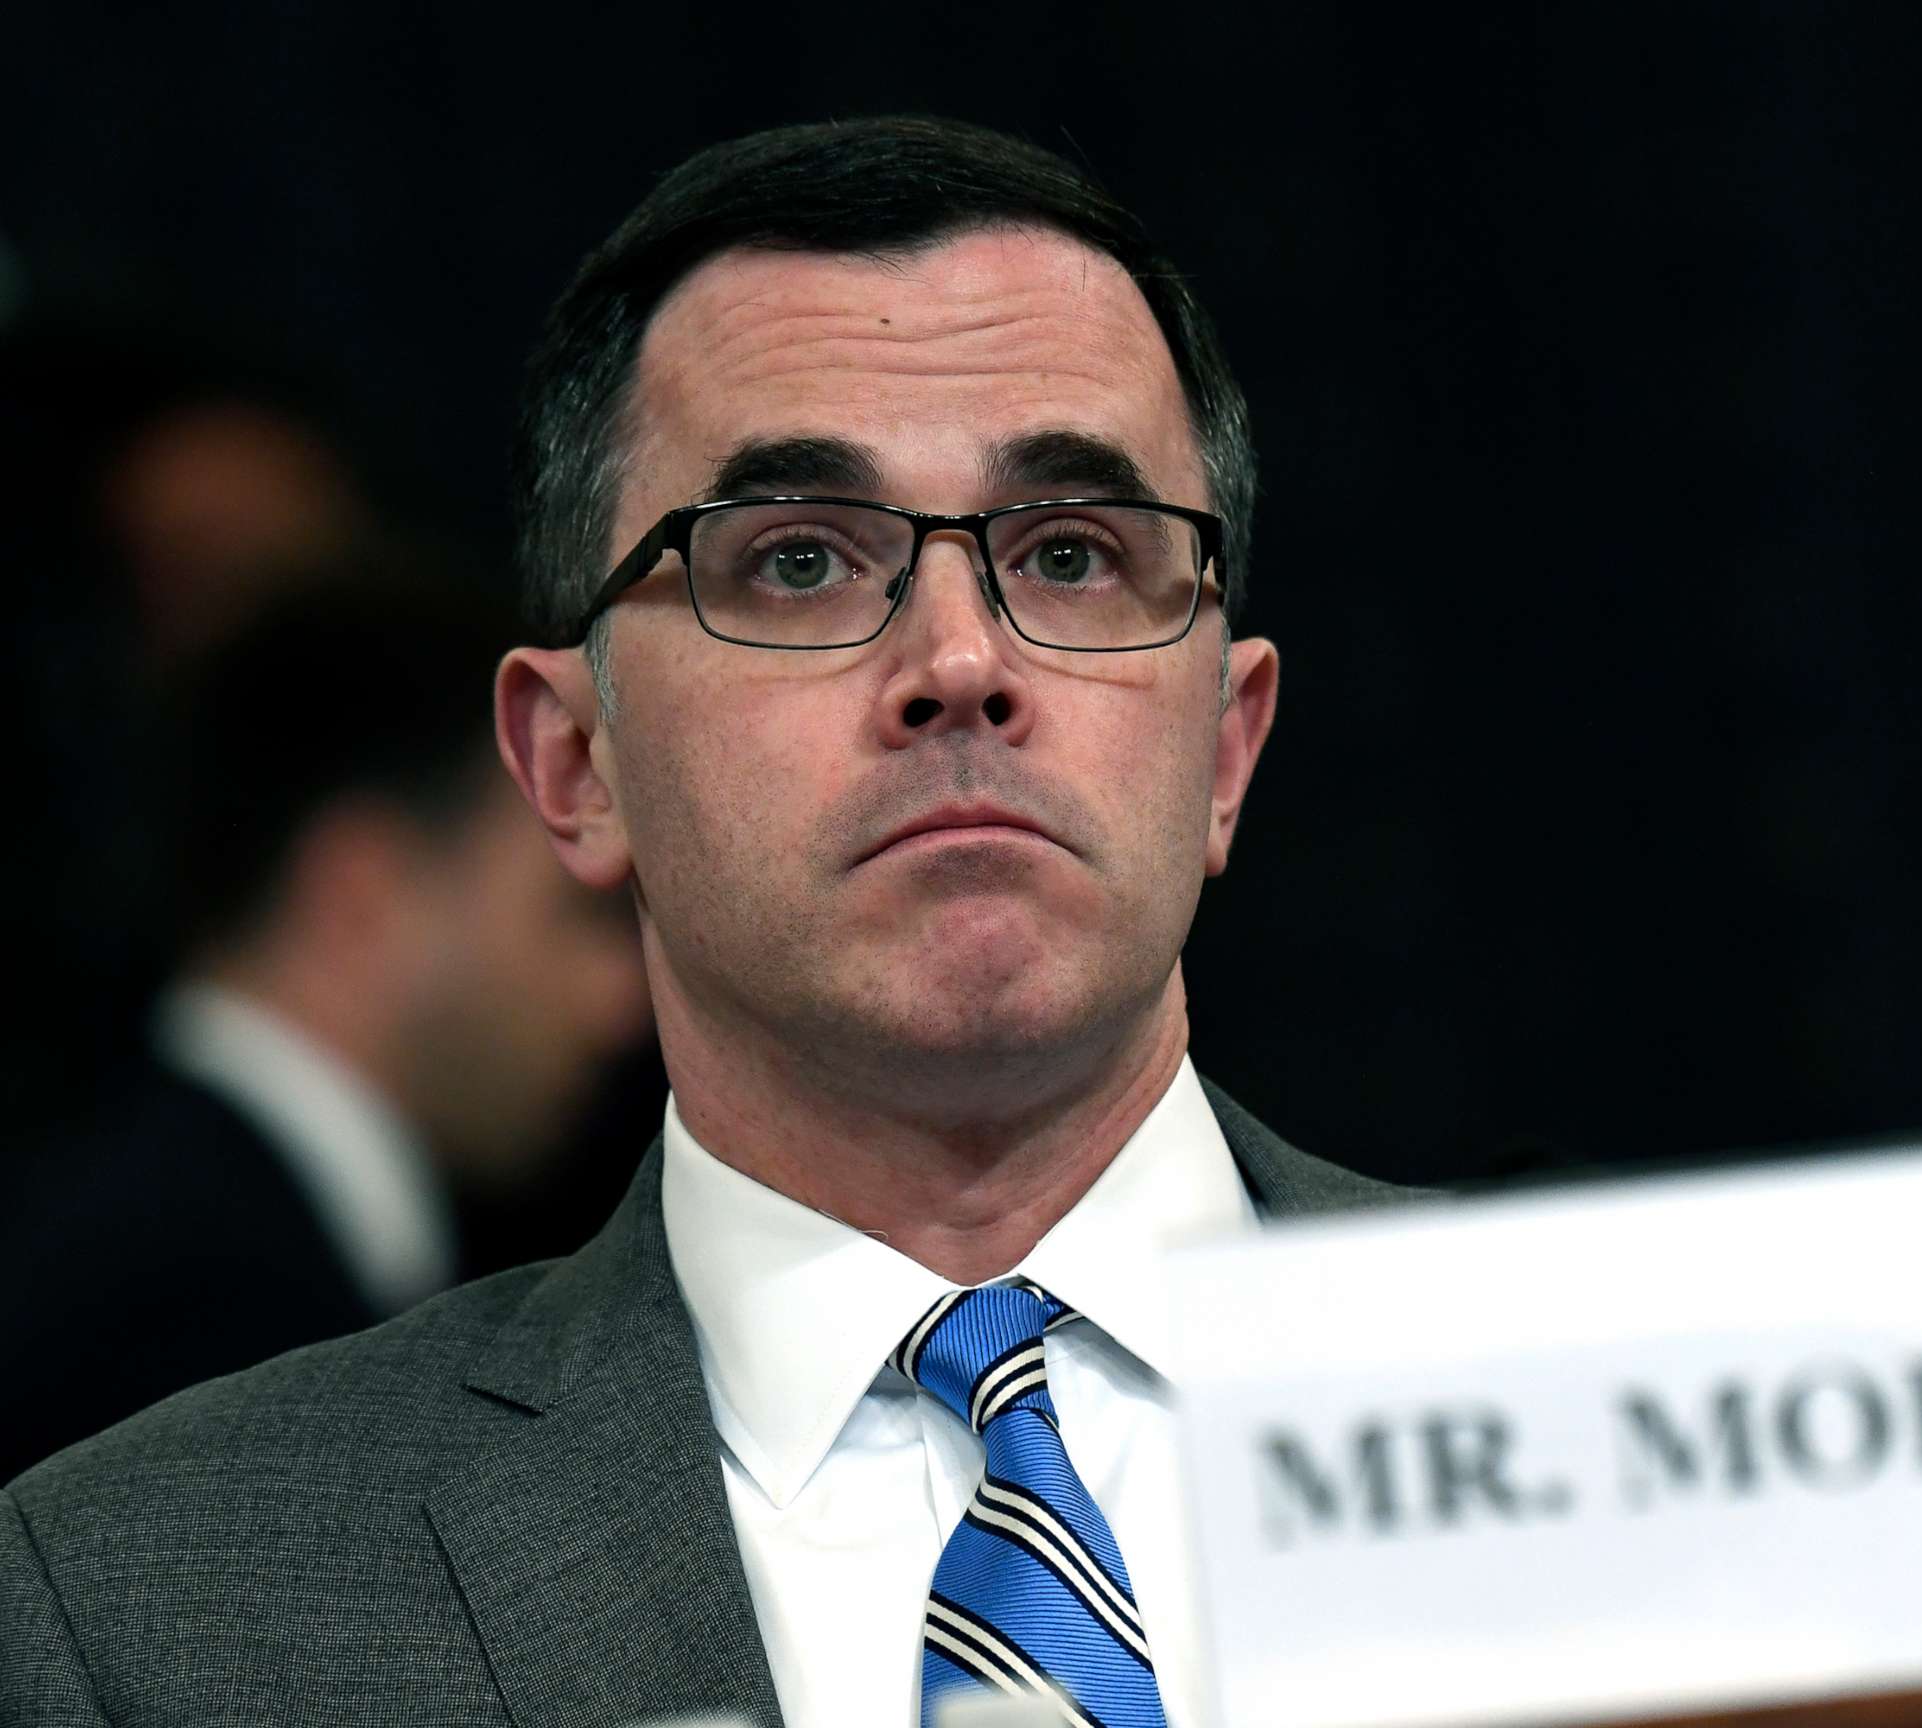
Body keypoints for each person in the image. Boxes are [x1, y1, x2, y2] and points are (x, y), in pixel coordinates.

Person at [2, 116, 1411, 1728]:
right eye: (801, 560)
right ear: (575, 761)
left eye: (1074, 554)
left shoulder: (1655, 1401)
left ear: (1227, 747)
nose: (962, 659)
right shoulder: (145, 1604)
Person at [0, 574, 650, 1483]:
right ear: (363, 896)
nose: (625, 1001)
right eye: (576, 915)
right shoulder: (189, 1294)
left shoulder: (127, 1216)